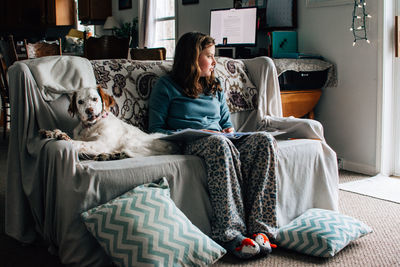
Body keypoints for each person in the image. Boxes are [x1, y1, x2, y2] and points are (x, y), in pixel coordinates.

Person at [148, 32, 278, 259]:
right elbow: (155, 131)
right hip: (191, 142)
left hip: (221, 140)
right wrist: (190, 134)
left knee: (264, 141)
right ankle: (231, 235)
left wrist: (229, 132)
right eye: (209, 56)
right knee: (218, 143)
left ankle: (261, 229)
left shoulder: (214, 85)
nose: (215, 61)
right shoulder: (166, 86)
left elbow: (226, 124)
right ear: (192, 58)